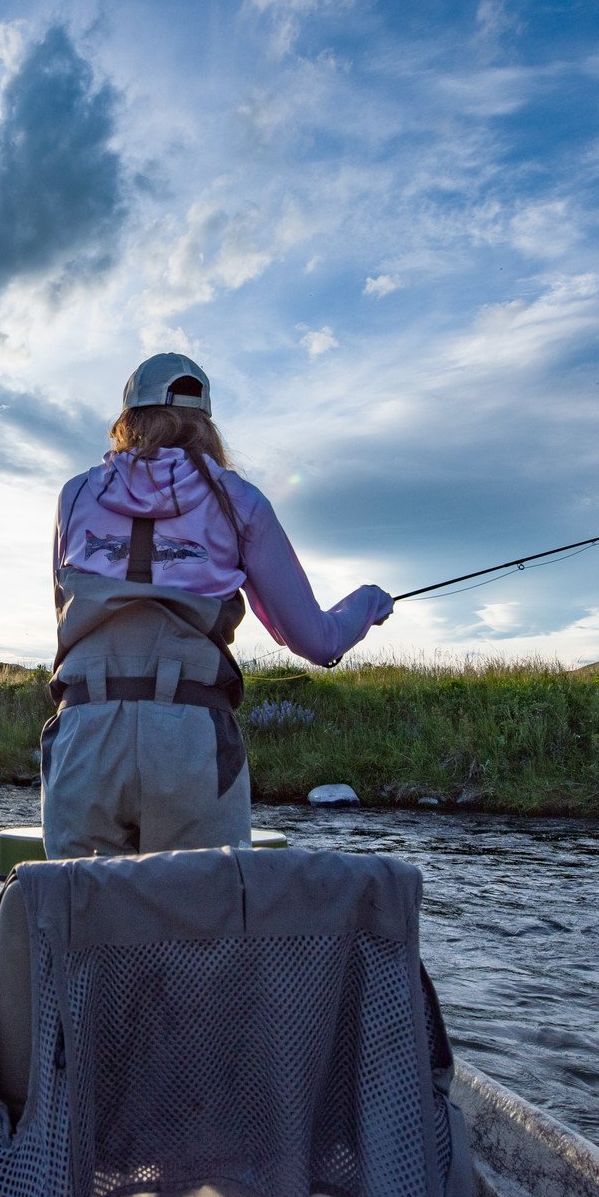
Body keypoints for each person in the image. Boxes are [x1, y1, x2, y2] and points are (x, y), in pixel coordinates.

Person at [41, 353, 393, 859]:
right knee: (200, 930)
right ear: (205, 424)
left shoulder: (72, 496)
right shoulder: (240, 501)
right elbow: (318, 641)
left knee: (79, 928)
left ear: (128, 418)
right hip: (190, 738)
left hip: (84, 732)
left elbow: (62, 610)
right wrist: (367, 604)